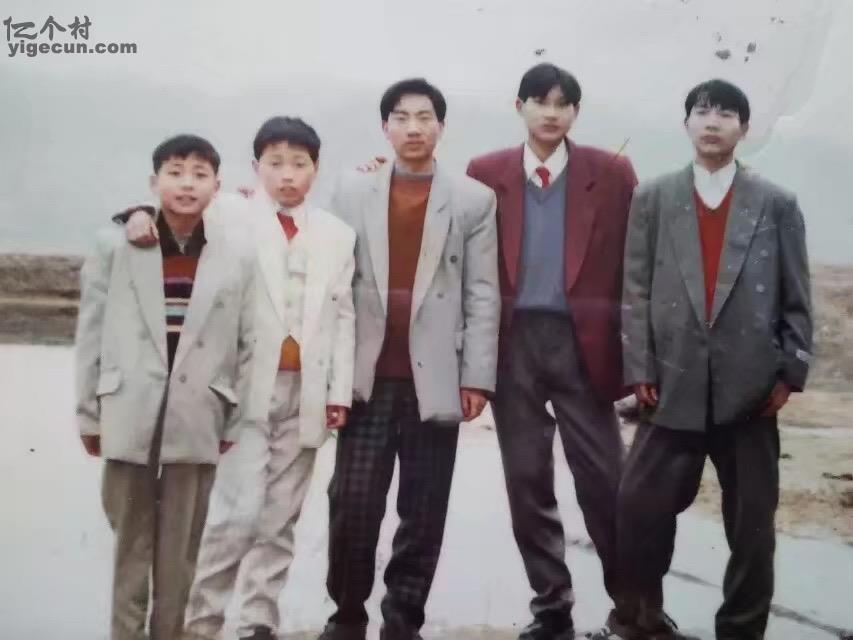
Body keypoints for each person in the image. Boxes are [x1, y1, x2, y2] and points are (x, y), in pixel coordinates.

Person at [117, 117, 357, 640]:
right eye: (275, 163)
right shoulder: (229, 213)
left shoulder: (338, 235)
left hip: (307, 393)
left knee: (281, 518)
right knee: (234, 515)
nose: (287, 175)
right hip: (243, 390)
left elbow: (343, 317)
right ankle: (201, 622)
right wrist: (136, 216)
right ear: (255, 167)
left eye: (299, 164)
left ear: (316, 168)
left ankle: (257, 622)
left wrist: (339, 392)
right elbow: (174, 207)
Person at [601, 79, 813, 640]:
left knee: (752, 526)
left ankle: (741, 630)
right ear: (687, 123)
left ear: (745, 128)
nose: (713, 121)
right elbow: (635, 290)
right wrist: (640, 367)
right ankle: (640, 620)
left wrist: (789, 373)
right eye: (702, 111)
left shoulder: (776, 203)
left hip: (751, 391)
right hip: (670, 386)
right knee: (638, 507)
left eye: (726, 113)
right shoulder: (654, 197)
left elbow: (796, 296)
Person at [318, 78, 500, 640]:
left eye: (425, 117)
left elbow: (482, 292)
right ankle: (347, 616)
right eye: (401, 117)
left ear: (441, 127)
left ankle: (403, 623)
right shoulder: (352, 190)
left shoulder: (472, 199)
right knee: (352, 503)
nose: (414, 128)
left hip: (435, 380)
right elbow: (327, 279)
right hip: (366, 377)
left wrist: (477, 378)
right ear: (385, 127)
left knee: (423, 510)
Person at [465, 63, 638, 640]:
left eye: (563, 103)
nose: (551, 113)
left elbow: (636, 262)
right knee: (526, 480)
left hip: (583, 345)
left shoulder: (611, 172)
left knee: (607, 479)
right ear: (519, 106)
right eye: (540, 101)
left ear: (576, 113)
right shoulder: (485, 173)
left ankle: (633, 605)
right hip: (513, 345)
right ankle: (551, 606)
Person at [74, 134, 256, 640]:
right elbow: (90, 334)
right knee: (129, 546)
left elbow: (248, 342)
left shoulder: (235, 254)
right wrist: (89, 413)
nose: (187, 184)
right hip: (128, 411)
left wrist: (234, 418)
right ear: (154, 182)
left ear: (217, 185)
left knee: (181, 554)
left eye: (200, 174)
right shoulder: (116, 245)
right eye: (175, 172)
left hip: (199, 414)